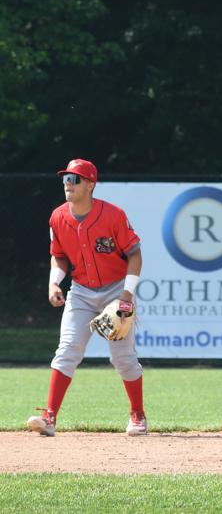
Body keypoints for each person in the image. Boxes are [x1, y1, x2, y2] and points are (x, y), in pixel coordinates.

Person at [27, 158, 148, 436]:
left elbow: (135, 254)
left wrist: (127, 296)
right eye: (65, 179)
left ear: (90, 185)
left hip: (116, 290)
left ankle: (138, 414)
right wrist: (54, 283)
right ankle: (50, 417)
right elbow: (58, 256)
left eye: (75, 179)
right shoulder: (58, 217)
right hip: (81, 291)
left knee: (123, 359)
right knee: (67, 349)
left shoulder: (113, 215)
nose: (68, 184)